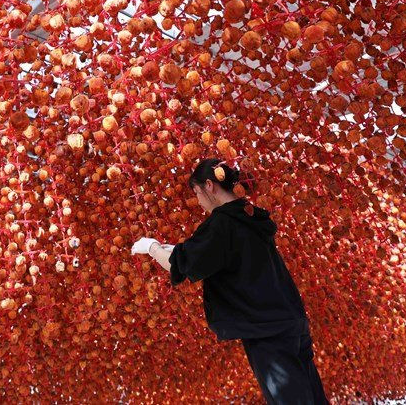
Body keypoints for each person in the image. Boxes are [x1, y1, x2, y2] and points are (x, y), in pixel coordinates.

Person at [131, 158, 329, 404]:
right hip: (291, 322)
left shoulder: (223, 223)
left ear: (209, 185)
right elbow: (204, 254)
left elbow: (181, 266)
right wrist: (174, 250)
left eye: (197, 192)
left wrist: (151, 247)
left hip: (266, 330)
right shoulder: (250, 217)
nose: (199, 201)